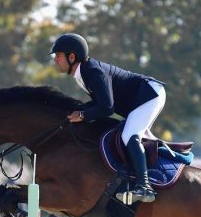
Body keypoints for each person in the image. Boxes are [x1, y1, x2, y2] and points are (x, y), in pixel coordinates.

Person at [50, 33, 166, 204]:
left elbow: (107, 108)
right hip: (142, 97)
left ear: (72, 57)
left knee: (129, 135)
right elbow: (99, 103)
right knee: (125, 134)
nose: (55, 59)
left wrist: (82, 115)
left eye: (58, 55)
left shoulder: (93, 72)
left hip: (149, 94)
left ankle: (145, 186)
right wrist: (77, 111)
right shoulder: (83, 73)